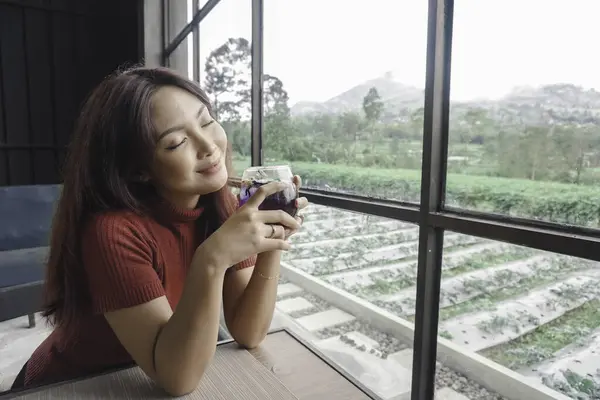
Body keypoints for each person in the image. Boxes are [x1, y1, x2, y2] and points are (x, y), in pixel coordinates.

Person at [10, 66, 307, 396]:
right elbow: (177, 379)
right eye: (177, 142)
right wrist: (211, 259)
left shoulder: (219, 206)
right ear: (139, 170)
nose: (209, 145)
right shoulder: (113, 232)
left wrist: (272, 240)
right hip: (71, 386)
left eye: (207, 121)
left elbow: (249, 333)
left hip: (137, 381)